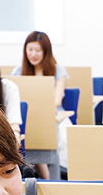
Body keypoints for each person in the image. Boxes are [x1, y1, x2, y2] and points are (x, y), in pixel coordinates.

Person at [11, 31, 69, 179]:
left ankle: (50, 179)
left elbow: (57, 100)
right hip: (27, 117)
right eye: (30, 50)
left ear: (46, 51)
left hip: (53, 115)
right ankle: (44, 179)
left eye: (38, 50)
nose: (33, 54)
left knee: (58, 136)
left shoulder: (57, 69)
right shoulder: (18, 71)